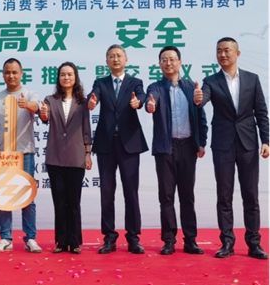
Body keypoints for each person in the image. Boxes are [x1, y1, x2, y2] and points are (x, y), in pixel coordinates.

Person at [194, 37, 269, 259]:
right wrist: (198, 99)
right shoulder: (210, 81)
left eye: (227, 50)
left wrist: (266, 140)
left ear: (238, 53)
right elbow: (202, 100)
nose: (222, 54)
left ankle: (254, 243)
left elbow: (261, 112)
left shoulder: (252, 79)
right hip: (223, 144)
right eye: (219, 51)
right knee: (224, 195)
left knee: (250, 195)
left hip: (248, 143)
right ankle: (227, 242)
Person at [146, 46, 208, 255]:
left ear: (180, 63)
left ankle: (190, 240)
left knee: (187, 195)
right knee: (166, 196)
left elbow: (201, 118)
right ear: (159, 64)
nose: (168, 63)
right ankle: (169, 240)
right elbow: (151, 101)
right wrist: (150, 106)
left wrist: (201, 143)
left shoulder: (191, 88)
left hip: (188, 147)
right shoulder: (155, 87)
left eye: (172, 59)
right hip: (166, 148)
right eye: (164, 60)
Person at [88, 44, 148, 254]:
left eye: (119, 56)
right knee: (107, 192)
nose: (115, 59)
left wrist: (138, 102)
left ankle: (133, 238)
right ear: (106, 61)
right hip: (106, 144)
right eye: (111, 56)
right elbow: (93, 96)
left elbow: (141, 96)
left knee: (131, 192)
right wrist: (92, 101)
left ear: (126, 60)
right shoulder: (101, 82)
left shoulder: (135, 82)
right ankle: (109, 238)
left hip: (129, 144)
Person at [0, 58, 42, 254]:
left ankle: (30, 238)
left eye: (15, 72)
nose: (11, 75)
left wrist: (27, 105)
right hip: (3, 155)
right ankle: (5, 238)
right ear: (3, 75)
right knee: (3, 196)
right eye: (7, 72)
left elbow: (36, 107)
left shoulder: (30, 94)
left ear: (21, 74)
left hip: (25, 153)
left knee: (28, 196)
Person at [40, 62, 92, 254]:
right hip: (55, 157)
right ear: (58, 78)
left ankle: (75, 242)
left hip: (76, 157)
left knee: (74, 201)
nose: (66, 77)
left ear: (75, 77)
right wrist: (43, 114)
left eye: (70, 74)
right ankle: (61, 241)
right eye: (63, 74)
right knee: (59, 201)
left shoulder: (83, 102)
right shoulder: (50, 100)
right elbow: (44, 117)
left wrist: (88, 153)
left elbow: (86, 129)